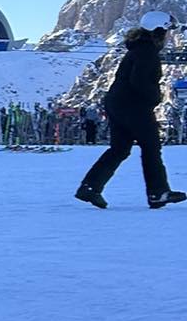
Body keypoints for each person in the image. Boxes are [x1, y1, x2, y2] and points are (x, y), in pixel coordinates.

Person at [76, 13, 185, 209]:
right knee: (151, 147)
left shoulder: (137, 49)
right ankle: (158, 192)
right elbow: (140, 81)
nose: (169, 36)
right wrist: (155, 97)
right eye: (167, 31)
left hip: (117, 103)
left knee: (119, 148)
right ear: (158, 31)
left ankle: (90, 187)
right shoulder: (147, 51)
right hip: (134, 106)